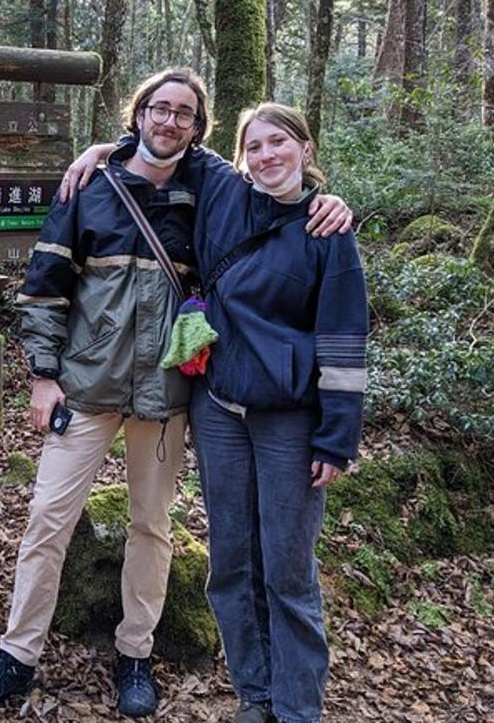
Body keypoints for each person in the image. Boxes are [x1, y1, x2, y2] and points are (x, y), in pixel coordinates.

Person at [0, 69, 352, 718]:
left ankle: (135, 654)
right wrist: (44, 375)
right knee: (47, 519)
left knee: (152, 526)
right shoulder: (90, 186)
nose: (169, 122)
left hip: (165, 397)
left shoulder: (206, 188)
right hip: (84, 386)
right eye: (158, 109)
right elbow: (44, 286)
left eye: (184, 114)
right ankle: (16, 656)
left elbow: (269, 176)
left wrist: (329, 203)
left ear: (197, 129)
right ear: (138, 114)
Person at [59, 103, 367, 723]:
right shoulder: (223, 191)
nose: (267, 156)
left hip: (289, 417)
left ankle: (297, 707)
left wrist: (337, 438)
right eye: (255, 146)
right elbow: (162, 138)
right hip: (220, 408)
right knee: (229, 561)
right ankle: (254, 694)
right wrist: (102, 151)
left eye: (279, 143)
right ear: (241, 156)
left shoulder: (328, 231)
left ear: (305, 149)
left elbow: (342, 340)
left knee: (287, 568)